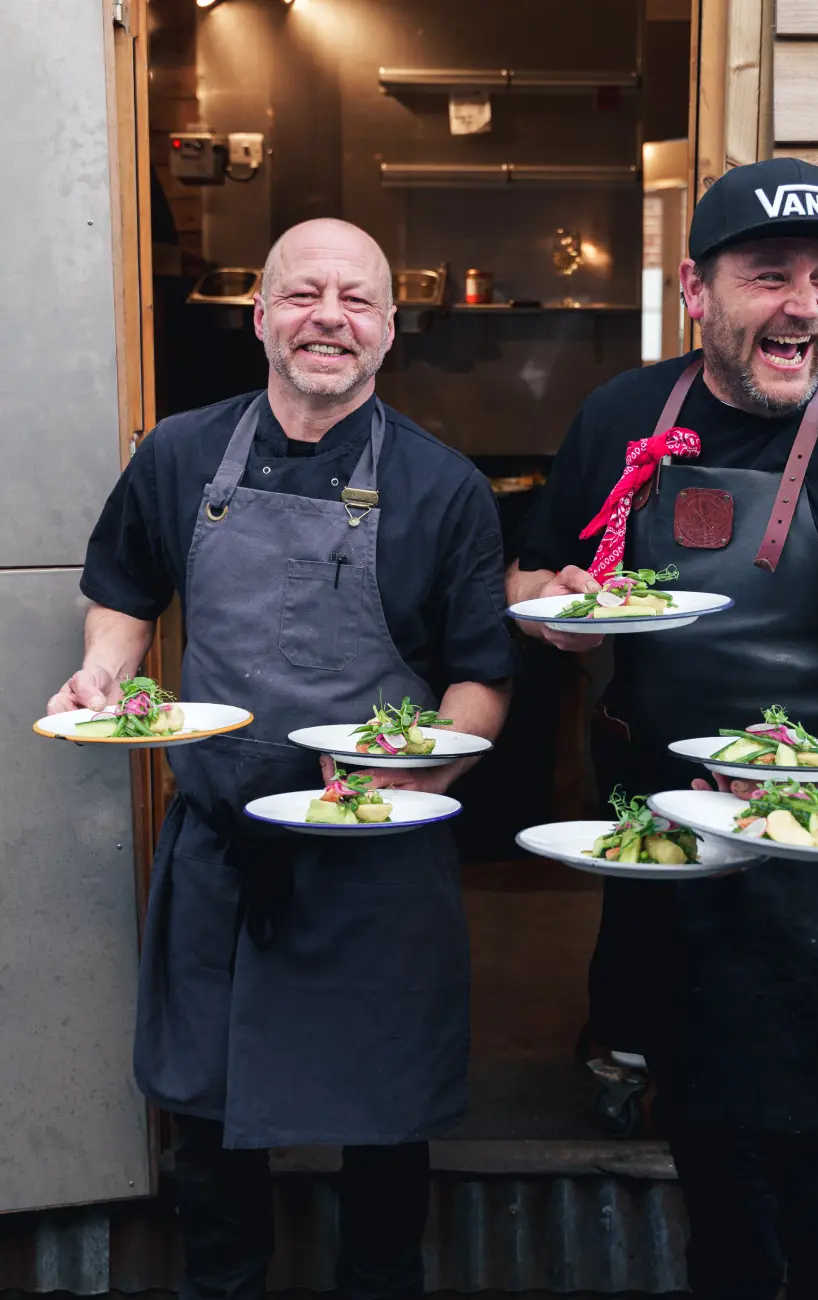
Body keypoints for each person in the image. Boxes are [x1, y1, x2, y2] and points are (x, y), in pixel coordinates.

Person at [506, 158, 818, 1299]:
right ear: (696, 290)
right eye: (767, 273)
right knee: (714, 1179)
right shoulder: (624, 415)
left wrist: (816, 799)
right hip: (671, 862)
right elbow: (529, 573)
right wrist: (557, 620)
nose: (803, 303)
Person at [48, 218, 516, 1300]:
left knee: (386, 1125)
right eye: (304, 295)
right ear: (260, 317)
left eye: (357, 301)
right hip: (218, 848)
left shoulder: (445, 491)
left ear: (389, 332)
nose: (329, 320)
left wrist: (420, 780)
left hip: (375, 862)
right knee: (208, 1124)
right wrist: (104, 674)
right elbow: (123, 588)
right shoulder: (177, 455)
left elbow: (482, 681)